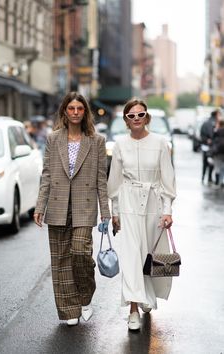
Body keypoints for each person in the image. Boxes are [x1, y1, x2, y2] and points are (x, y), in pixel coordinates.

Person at [34, 92, 110, 326]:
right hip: (57, 204)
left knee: (79, 252)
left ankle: (85, 296)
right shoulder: (53, 138)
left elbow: (100, 180)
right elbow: (47, 174)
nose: (75, 112)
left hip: (84, 207)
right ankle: (69, 311)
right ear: (64, 112)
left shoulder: (96, 141)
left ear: (85, 112)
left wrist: (106, 213)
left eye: (79, 108)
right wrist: (40, 206)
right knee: (60, 260)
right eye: (71, 108)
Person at [107, 98, 176, 331]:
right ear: (126, 120)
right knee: (131, 256)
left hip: (153, 204)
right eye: (131, 115)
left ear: (147, 117)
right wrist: (114, 213)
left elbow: (168, 179)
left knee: (149, 253)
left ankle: (147, 295)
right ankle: (133, 309)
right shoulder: (119, 144)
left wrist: (167, 211)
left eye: (140, 114)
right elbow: (114, 182)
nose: (136, 118)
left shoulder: (160, 143)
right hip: (128, 203)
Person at [200, 109, 221, 185]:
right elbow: (213, 135)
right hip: (211, 147)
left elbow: (201, 134)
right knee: (211, 163)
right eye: (219, 114)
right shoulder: (214, 123)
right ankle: (209, 178)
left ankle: (203, 177)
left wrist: (205, 140)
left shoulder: (205, 123)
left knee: (205, 163)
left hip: (205, 146)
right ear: (216, 115)